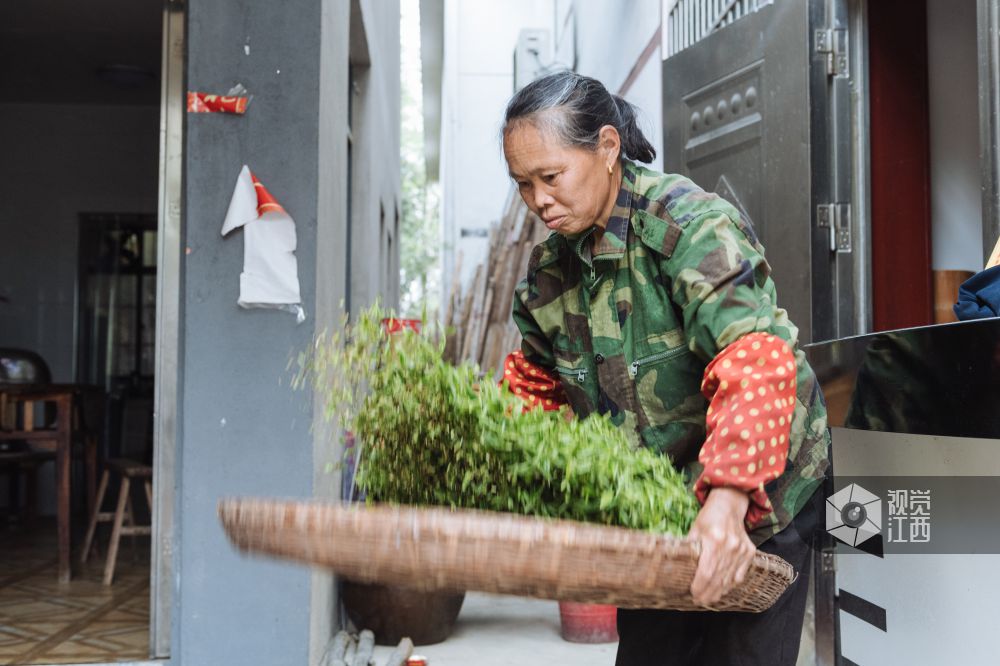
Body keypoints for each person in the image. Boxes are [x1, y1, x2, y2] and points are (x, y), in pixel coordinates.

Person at [498, 70, 830, 665]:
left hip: (759, 493)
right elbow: (536, 394)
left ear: (606, 147)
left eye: (550, 176)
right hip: (657, 509)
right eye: (523, 184)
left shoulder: (688, 227)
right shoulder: (550, 274)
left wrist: (727, 504)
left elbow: (752, 360)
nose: (538, 199)